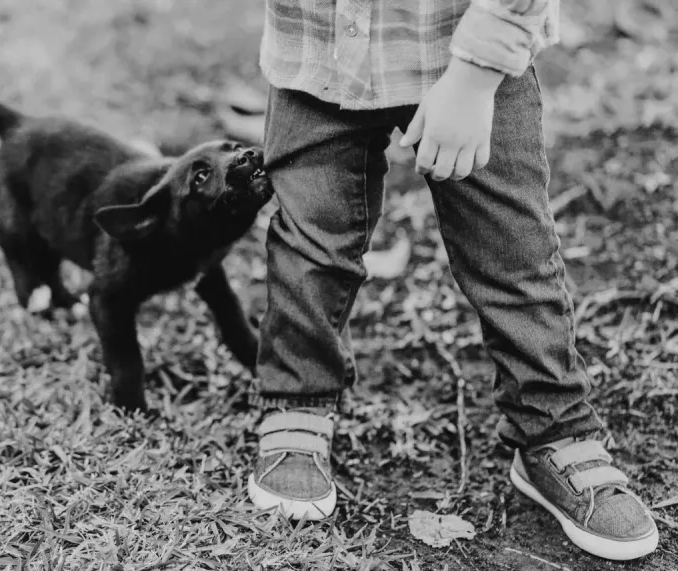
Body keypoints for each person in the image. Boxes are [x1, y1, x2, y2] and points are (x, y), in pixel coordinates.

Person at [246, 0, 659, 561]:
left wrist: (473, 79)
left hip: (466, 57)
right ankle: (298, 397)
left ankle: (554, 429)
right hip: (315, 50)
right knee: (310, 244)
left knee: (512, 253)